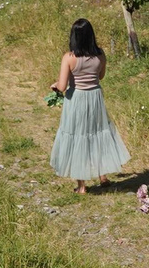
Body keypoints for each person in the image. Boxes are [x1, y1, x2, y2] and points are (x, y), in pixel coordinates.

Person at [47, 18, 131, 193]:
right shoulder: (100, 54)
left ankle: (82, 186)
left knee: (79, 136)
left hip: (76, 99)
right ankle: (103, 177)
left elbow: (62, 86)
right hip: (95, 98)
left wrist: (54, 86)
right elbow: (100, 76)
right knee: (97, 133)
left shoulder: (69, 57)